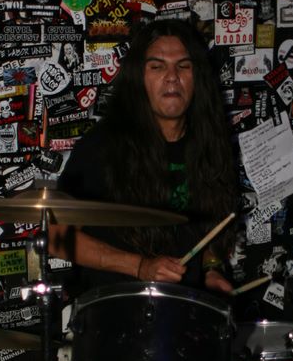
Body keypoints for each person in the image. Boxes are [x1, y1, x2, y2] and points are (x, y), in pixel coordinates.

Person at [48, 17, 237, 294]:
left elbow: (209, 226)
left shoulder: (210, 144)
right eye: (157, 66)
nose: (172, 76)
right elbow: (57, 238)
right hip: (117, 303)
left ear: (197, 78)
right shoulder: (102, 147)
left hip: (185, 306)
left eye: (184, 66)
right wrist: (139, 267)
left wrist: (212, 269)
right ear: (138, 78)